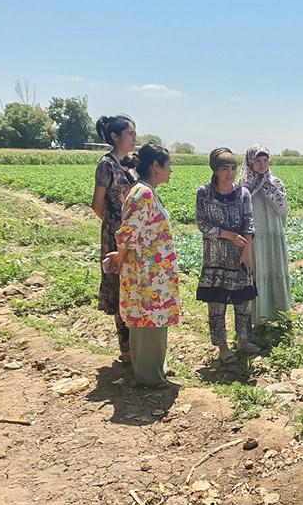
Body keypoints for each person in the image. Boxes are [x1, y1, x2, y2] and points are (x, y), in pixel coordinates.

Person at [106, 143, 180, 388]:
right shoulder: (142, 193)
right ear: (156, 166)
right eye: (168, 165)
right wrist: (120, 257)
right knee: (149, 321)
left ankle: (156, 369)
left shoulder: (146, 191)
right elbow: (128, 233)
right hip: (146, 274)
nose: (171, 170)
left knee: (154, 320)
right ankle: (150, 377)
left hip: (153, 272)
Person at [195, 147, 258, 363]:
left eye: (233, 168)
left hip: (240, 255)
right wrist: (227, 234)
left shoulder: (243, 194)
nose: (230, 173)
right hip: (215, 257)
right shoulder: (204, 193)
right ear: (215, 170)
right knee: (217, 304)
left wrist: (247, 252)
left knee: (243, 302)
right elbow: (202, 223)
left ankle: (243, 340)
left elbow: (249, 222)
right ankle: (222, 346)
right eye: (224, 168)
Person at [92, 114, 137, 363]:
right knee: (121, 288)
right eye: (130, 133)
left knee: (135, 286)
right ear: (114, 136)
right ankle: (127, 349)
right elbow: (97, 204)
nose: (134, 138)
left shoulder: (131, 164)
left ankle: (138, 346)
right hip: (116, 237)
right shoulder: (107, 165)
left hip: (133, 237)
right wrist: (114, 229)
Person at [238, 144, 292, 326]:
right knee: (259, 271)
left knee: (275, 267)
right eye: (257, 161)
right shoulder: (244, 186)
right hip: (256, 237)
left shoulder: (276, 183)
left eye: (265, 160)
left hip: (274, 235)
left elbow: (283, 211)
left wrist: (279, 228)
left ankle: (279, 313)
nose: (262, 165)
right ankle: (258, 318)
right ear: (249, 162)